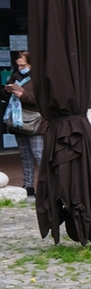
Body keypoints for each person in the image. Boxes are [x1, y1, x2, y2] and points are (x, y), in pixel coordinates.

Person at [2, 51, 43, 196]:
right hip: (18, 121)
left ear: (31, 64)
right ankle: (28, 185)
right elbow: (4, 93)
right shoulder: (15, 75)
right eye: (18, 65)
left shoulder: (39, 78)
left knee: (39, 154)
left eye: (23, 65)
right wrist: (7, 91)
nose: (20, 68)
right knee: (25, 155)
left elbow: (43, 99)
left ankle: (46, 186)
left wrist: (23, 95)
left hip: (34, 121)